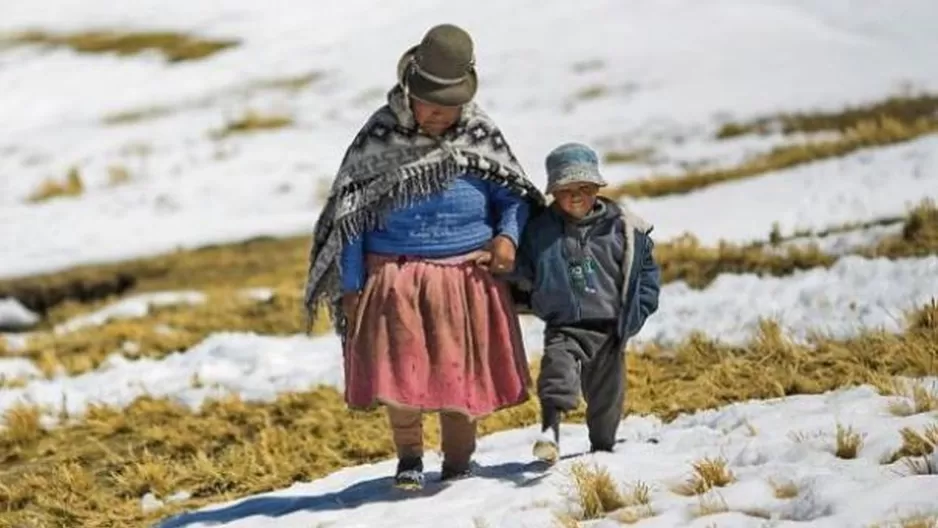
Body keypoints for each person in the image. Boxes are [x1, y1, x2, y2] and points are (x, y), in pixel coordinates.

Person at [303, 23, 546, 490]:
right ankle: (409, 458)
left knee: (461, 377)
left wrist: (508, 239)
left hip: (466, 279)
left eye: (450, 107)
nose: (439, 116)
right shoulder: (379, 136)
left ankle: (459, 463)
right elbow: (353, 216)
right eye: (431, 105)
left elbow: (514, 197)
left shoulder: (479, 133)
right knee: (401, 374)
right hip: (394, 279)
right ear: (408, 92)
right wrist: (352, 285)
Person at [510, 142, 661, 463]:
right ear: (553, 191)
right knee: (556, 373)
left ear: (597, 187)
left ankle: (603, 446)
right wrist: (522, 294)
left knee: (607, 396)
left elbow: (646, 271)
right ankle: (550, 430)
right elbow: (521, 269)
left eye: (585, 187)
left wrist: (640, 309)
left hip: (610, 328)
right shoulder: (539, 231)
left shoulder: (622, 227)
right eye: (566, 189)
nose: (576, 195)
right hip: (564, 325)